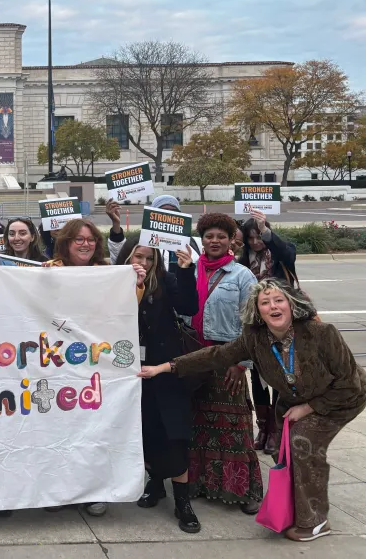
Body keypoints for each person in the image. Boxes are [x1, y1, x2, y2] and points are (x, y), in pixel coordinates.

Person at [140, 278, 366, 542]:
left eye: (279, 300)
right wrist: (165, 367)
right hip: (293, 401)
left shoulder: (322, 333)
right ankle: (292, 507)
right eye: (265, 302)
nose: (273, 307)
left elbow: (349, 384)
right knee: (284, 454)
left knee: (303, 442)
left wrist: (309, 407)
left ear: (292, 305)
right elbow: (215, 356)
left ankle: (314, 521)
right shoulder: (255, 338)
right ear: (257, 311)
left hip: (341, 398)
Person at [42, 218, 144, 518]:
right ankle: (60, 488)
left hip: (99, 365)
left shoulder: (108, 273)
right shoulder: (50, 270)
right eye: (78, 239)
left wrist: (135, 283)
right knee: (61, 429)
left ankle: (97, 490)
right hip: (60, 364)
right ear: (67, 243)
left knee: (96, 430)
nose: (85, 244)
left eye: (90, 239)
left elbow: (128, 308)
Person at [115, 239, 200, 534]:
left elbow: (189, 305)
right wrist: (132, 286)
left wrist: (187, 270)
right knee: (146, 432)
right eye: (138, 256)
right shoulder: (114, 282)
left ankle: (183, 502)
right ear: (127, 257)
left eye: (150, 258)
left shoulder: (168, 280)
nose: (144, 263)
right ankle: (156, 485)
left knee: (174, 434)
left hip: (165, 369)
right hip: (132, 372)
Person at [185, 213, 262, 514]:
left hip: (227, 358)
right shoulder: (189, 271)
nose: (214, 241)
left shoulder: (242, 276)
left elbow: (253, 324)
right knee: (196, 424)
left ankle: (244, 488)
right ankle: (199, 483)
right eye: (208, 236)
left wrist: (241, 362)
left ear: (232, 240)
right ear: (201, 240)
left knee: (235, 427)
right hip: (193, 357)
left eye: (221, 236)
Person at [239, 208, 298, 455]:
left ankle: (275, 429)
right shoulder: (243, 260)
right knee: (257, 376)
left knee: (278, 375)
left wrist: (266, 231)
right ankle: (262, 428)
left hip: (278, 323)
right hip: (254, 325)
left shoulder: (280, 252)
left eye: (258, 236)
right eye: (251, 237)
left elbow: (288, 254)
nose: (256, 241)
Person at [44, 219, 109, 268]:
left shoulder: (107, 270)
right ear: (66, 242)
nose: (86, 244)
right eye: (79, 239)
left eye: (91, 240)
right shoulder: (51, 267)